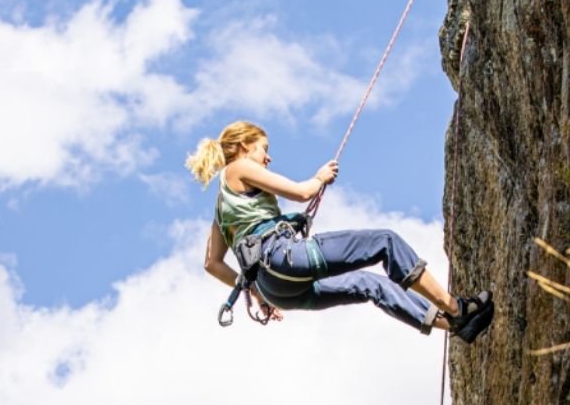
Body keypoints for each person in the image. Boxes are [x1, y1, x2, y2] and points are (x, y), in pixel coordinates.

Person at [186, 120, 493, 339]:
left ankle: (451, 326)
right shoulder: (237, 168)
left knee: (367, 285)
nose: (268, 157)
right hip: (282, 258)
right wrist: (319, 178)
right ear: (243, 146)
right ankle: (456, 308)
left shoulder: (221, 207)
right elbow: (302, 192)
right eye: (263, 149)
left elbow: (211, 263)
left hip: (275, 289)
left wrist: (256, 292)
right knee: (385, 242)